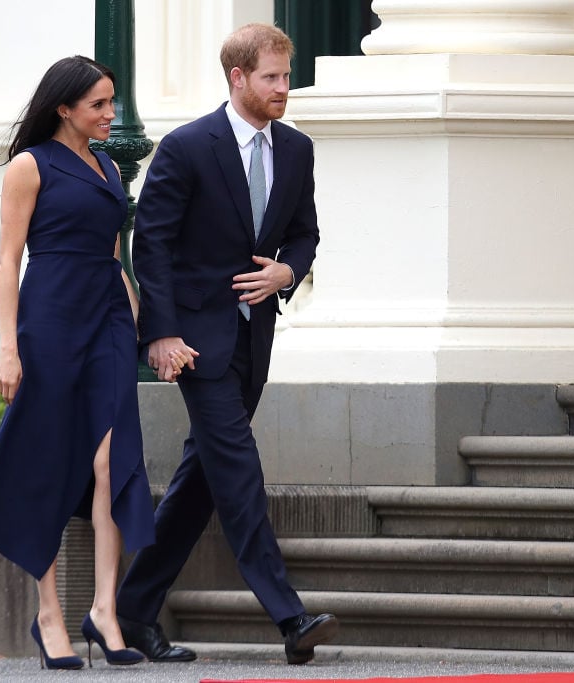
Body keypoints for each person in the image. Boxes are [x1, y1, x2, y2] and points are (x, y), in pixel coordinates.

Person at [115, 24, 336, 666]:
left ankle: (132, 611)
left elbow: (304, 233)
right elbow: (149, 244)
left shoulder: (296, 150)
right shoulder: (186, 147)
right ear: (237, 77)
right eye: (271, 77)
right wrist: (159, 333)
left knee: (204, 478)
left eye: (287, 77)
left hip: (253, 336)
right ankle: (289, 616)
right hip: (195, 341)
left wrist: (286, 273)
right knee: (237, 466)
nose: (283, 89)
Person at [0, 56, 176, 670]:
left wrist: (132, 303)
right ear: (65, 108)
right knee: (51, 459)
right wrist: (9, 348)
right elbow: (7, 261)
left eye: (113, 102)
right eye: (99, 105)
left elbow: (112, 247)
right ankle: (49, 614)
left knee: (113, 461)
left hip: (109, 316)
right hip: (52, 317)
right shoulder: (30, 168)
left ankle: (105, 610)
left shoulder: (109, 166)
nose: (111, 114)